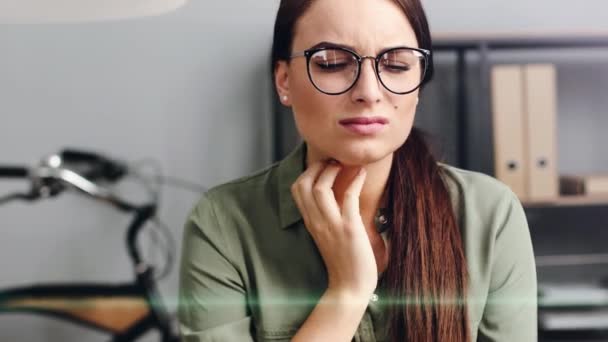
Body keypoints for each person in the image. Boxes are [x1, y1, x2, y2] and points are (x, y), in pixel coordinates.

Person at [177, 0, 537, 341]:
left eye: (396, 64)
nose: (369, 91)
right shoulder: (224, 223)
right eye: (332, 63)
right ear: (284, 80)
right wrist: (348, 292)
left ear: (419, 85)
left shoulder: (489, 215)